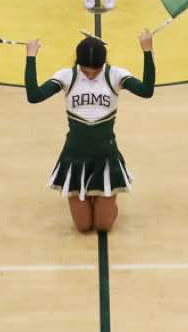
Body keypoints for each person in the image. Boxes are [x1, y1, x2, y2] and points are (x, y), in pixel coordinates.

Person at [24, 30, 157, 234]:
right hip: (74, 157)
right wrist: (31, 56)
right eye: (86, 71)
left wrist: (147, 51)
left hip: (105, 157)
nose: (91, 75)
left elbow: (147, 91)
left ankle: (102, 196)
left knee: (103, 226)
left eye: (96, 70)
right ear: (78, 63)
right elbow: (34, 96)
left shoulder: (115, 75)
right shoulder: (67, 76)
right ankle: (92, 195)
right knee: (83, 227)